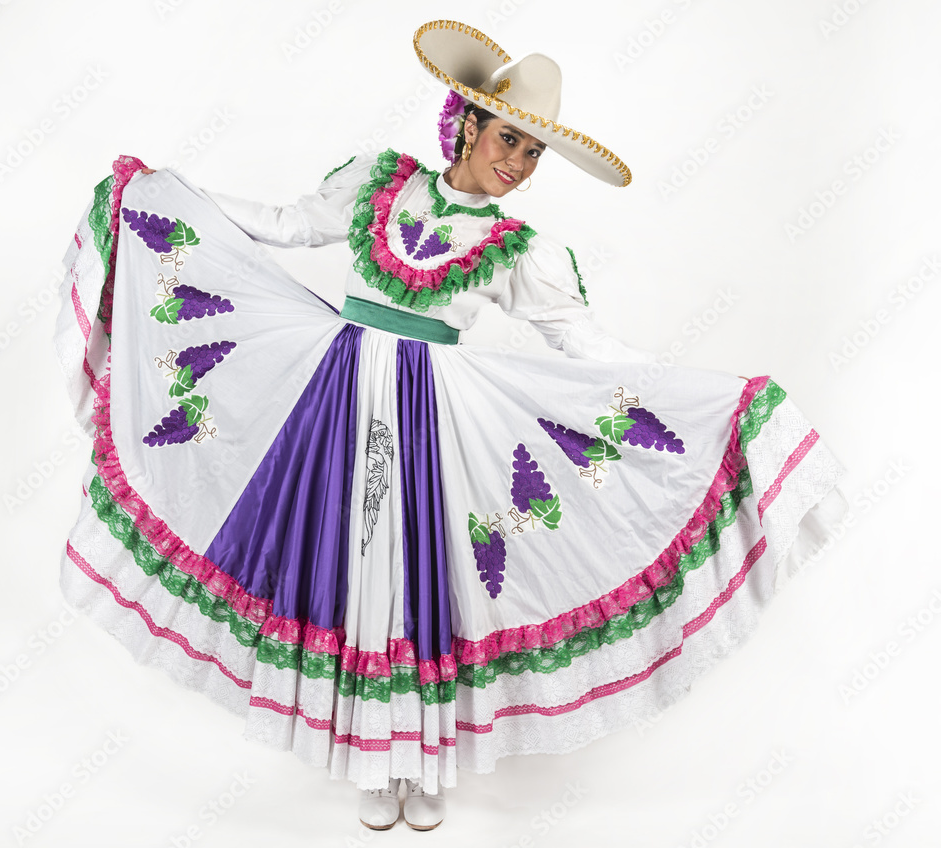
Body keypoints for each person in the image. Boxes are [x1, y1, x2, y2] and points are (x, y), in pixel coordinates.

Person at [55, 19, 846, 834]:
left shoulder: (515, 250)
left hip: (436, 426)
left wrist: (701, 395)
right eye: (511, 137)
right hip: (328, 401)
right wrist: (172, 193)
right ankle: (371, 762)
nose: (519, 161)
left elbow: (586, 344)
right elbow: (288, 224)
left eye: (535, 153)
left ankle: (418, 761)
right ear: (467, 122)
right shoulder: (378, 183)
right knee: (346, 570)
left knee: (418, 582)